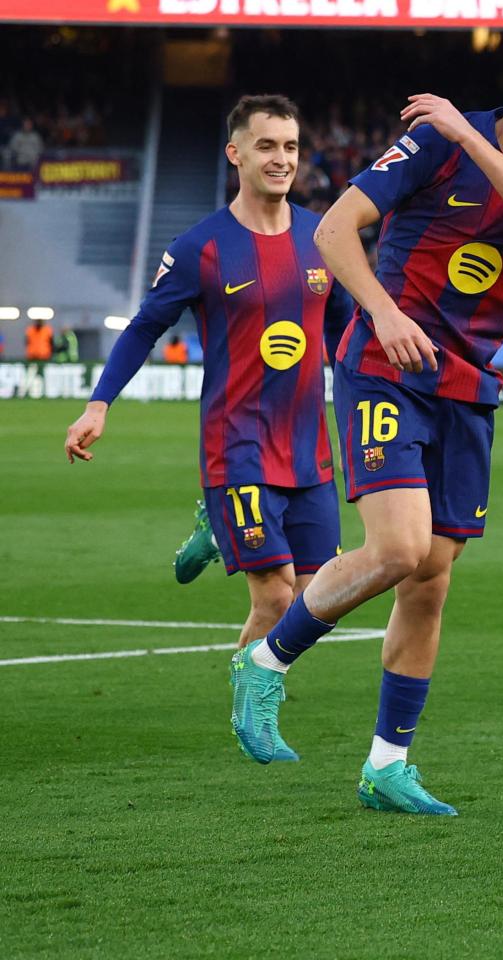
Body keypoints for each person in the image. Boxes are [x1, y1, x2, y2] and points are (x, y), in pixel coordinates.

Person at [249, 35, 503, 815]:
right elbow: (334, 231)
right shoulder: (427, 145)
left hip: (468, 386)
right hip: (387, 366)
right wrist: (380, 315)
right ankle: (266, 662)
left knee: (429, 584)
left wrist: (471, 134)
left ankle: (387, 765)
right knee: (400, 548)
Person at [64, 97, 354, 759]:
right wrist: (98, 404)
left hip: (309, 447)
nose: (281, 159)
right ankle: (254, 706)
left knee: (319, 599)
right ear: (236, 154)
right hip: (238, 445)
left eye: (290, 146)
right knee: (275, 592)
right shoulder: (200, 247)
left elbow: (341, 331)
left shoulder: (324, 235)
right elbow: (144, 327)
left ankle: (212, 528)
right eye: (266, 146)